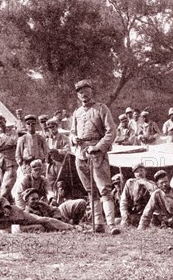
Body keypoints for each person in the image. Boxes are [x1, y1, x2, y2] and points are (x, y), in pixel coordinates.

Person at [69, 79, 120, 235]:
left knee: (104, 189)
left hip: (97, 154)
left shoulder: (101, 109)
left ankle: (111, 224)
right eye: (80, 92)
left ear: (92, 91)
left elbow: (111, 131)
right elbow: (72, 132)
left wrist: (98, 147)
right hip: (80, 154)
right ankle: (98, 223)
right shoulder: (76, 113)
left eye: (86, 91)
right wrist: (73, 139)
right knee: (91, 191)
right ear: (78, 96)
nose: (83, 95)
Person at [0, 177, 73, 233]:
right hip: (0, 228)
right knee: (37, 228)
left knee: (42, 220)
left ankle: (70, 228)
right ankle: (56, 230)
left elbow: (2, 200)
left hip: (14, 213)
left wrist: (6, 207)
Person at [120, 163, 157, 227]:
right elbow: (124, 201)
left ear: (145, 172)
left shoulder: (151, 183)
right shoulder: (130, 183)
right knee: (120, 223)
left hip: (148, 215)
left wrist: (145, 183)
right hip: (134, 214)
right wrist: (124, 215)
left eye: (141, 170)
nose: (139, 173)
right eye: (137, 172)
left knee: (152, 226)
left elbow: (156, 192)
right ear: (134, 174)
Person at [22, 188, 87, 225]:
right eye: (33, 199)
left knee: (81, 202)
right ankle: (74, 225)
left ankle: (76, 223)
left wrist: (45, 205)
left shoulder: (41, 205)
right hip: (56, 224)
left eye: (37, 198)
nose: (36, 201)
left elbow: (56, 210)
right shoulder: (27, 213)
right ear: (26, 202)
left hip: (60, 218)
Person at [0, 114, 18, 202]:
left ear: (5, 121)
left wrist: (3, 144)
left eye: (1, 122)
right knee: (2, 185)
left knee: (7, 185)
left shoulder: (13, 132)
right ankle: (9, 204)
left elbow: (13, 142)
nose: (0, 125)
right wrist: (8, 143)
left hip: (10, 162)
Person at [44, 117, 70, 186]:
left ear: (57, 126)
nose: (52, 129)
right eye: (49, 128)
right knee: (50, 182)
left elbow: (68, 150)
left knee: (60, 183)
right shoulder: (47, 140)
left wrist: (57, 151)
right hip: (50, 164)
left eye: (53, 127)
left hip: (61, 163)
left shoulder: (64, 138)